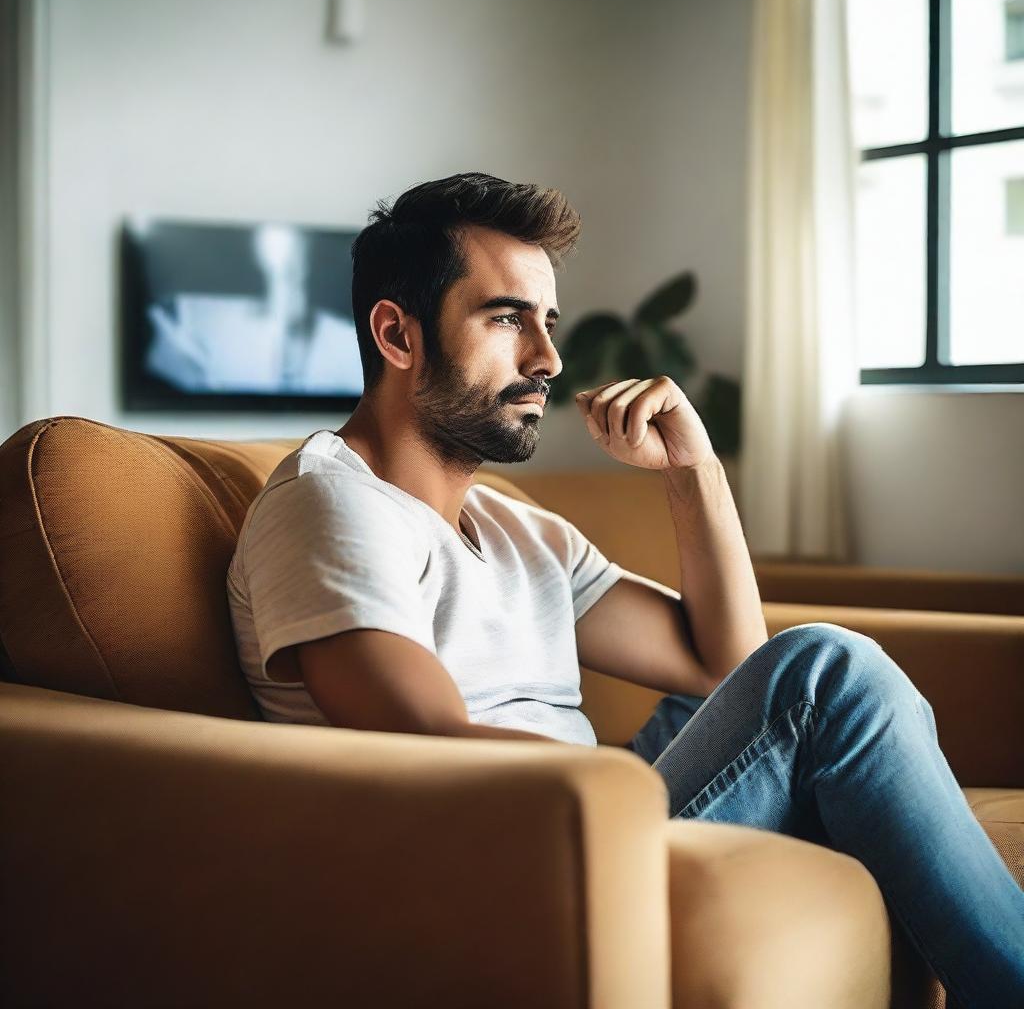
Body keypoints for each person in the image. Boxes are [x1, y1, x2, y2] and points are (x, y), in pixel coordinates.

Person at [226, 171, 1024, 1007]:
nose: (548, 359)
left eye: (548, 322)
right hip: (516, 852)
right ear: (397, 334)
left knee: (793, 681)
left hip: (588, 804)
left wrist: (693, 470)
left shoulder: (515, 527)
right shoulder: (331, 502)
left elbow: (730, 666)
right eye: (506, 319)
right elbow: (420, 739)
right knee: (827, 673)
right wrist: (613, 789)